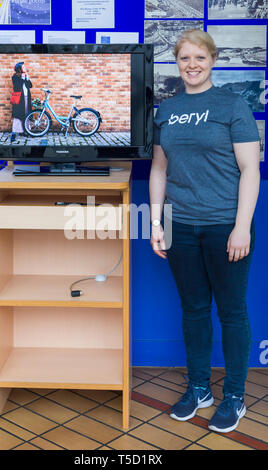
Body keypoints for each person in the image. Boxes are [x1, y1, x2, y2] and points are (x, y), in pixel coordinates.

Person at [150, 29, 260, 433]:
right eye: (184, 59)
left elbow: (250, 170)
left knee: (232, 313)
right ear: (176, 64)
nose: (191, 66)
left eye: (199, 58)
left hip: (225, 225)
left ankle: (234, 395)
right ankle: (199, 388)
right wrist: (157, 223)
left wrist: (242, 227)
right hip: (182, 225)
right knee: (193, 310)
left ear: (213, 60)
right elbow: (159, 169)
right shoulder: (167, 110)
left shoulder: (232, 105)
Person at [11, 62, 32, 143]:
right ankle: (14, 133)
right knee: (17, 115)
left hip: (26, 98)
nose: (25, 67)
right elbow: (16, 87)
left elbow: (30, 86)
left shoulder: (25, 76)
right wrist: (22, 79)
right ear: (19, 69)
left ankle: (24, 131)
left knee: (26, 114)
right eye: (23, 67)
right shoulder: (14, 77)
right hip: (19, 99)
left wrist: (27, 78)